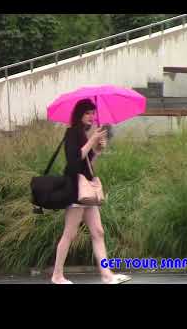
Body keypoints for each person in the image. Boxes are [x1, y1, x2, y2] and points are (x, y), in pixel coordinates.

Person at [50, 98, 131, 284]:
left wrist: (97, 150)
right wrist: (92, 140)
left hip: (86, 187)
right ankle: (57, 275)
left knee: (98, 232)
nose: (91, 117)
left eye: (93, 113)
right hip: (75, 187)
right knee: (70, 233)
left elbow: (86, 165)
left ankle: (106, 275)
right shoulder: (72, 133)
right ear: (79, 114)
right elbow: (74, 161)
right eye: (87, 113)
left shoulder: (84, 135)